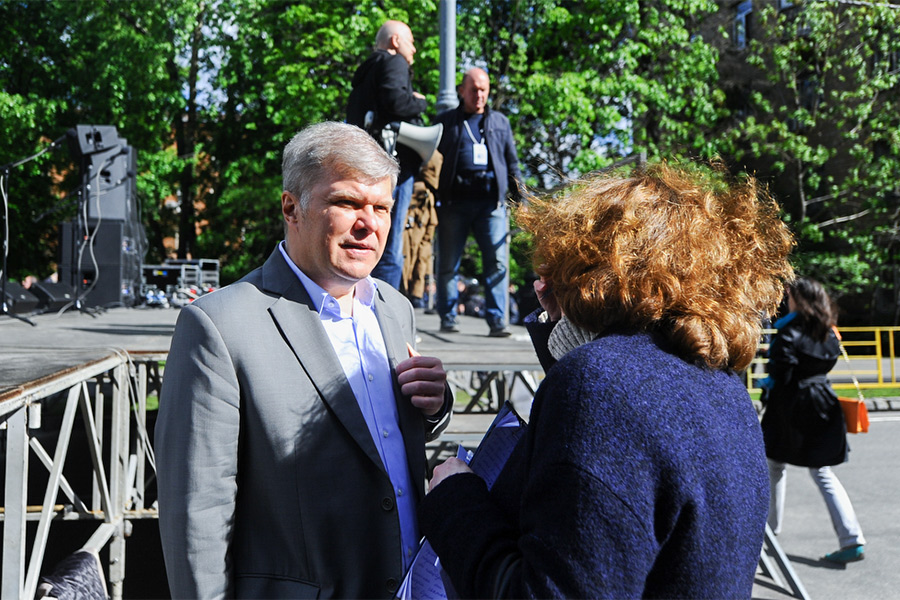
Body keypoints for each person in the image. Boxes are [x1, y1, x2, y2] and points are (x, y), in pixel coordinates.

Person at [419, 162, 795, 598]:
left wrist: (454, 499)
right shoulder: (722, 385)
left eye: (557, 271)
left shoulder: (598, 384)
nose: (541, 291)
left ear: (597, 275)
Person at [156, 121, 452, 599]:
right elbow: (197, 515)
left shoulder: (395, 308)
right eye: (347, 203)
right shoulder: (218, 326)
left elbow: (379, 440)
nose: (369, 224)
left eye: (381, 207)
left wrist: (434, 405)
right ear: (292, 208)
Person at [760, 277, 867, 563]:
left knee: (773, 466)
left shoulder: (790, 331)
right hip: (824, 404)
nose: (786, 300)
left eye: (789, 296)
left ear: (800, 299)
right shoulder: (828, 333)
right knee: (822, 472)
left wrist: (767, 385)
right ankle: (852, 538)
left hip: (792, 408)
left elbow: (781, 373)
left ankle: (768, 535)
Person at [434, 67, 522, 337]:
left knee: (497, 262)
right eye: (474, 89)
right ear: (462, 91)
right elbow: (431, 160)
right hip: (454, 203)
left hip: (490, 204)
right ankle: (447, 317)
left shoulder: (500, 123)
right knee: (448, 262)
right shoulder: (447, 122)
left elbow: (512, 163)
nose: (479, 95)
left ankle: (498, 321)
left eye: (483, 89)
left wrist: (522, 199)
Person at [347, 20, 427, 291]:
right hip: (394, 165)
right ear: (395, 41)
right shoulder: (394, 63)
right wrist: (420, 101)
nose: (414, 50)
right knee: (389, 243)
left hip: (366, 164)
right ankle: (385, 316)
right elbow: (396, 102)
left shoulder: (365, 73)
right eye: (411, 41)